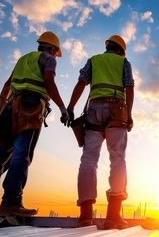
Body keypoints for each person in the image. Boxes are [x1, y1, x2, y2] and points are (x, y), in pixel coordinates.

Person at [0, 31, 69, 218]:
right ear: (53, 49)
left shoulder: (23, 59)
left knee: (0, 155)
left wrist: (0, 114)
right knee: (21, 155)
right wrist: (63, 108)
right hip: (30, 108)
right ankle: (11, 203)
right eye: (56, 52)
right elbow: (48, 81)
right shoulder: (49, 59)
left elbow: (6, 87)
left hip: (9, 108)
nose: (56, 55)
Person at [66, 35, 134, 229]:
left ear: (108, 47)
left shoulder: (94, 60)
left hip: (94, 111)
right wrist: (129, 114)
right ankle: (113, 216)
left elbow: (81, 82)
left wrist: (70, 107)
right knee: (117, 158)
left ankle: (85, 216)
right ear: (121, 50)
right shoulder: (124, 62)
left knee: (88, 159)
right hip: (117, 110)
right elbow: (129, 86)